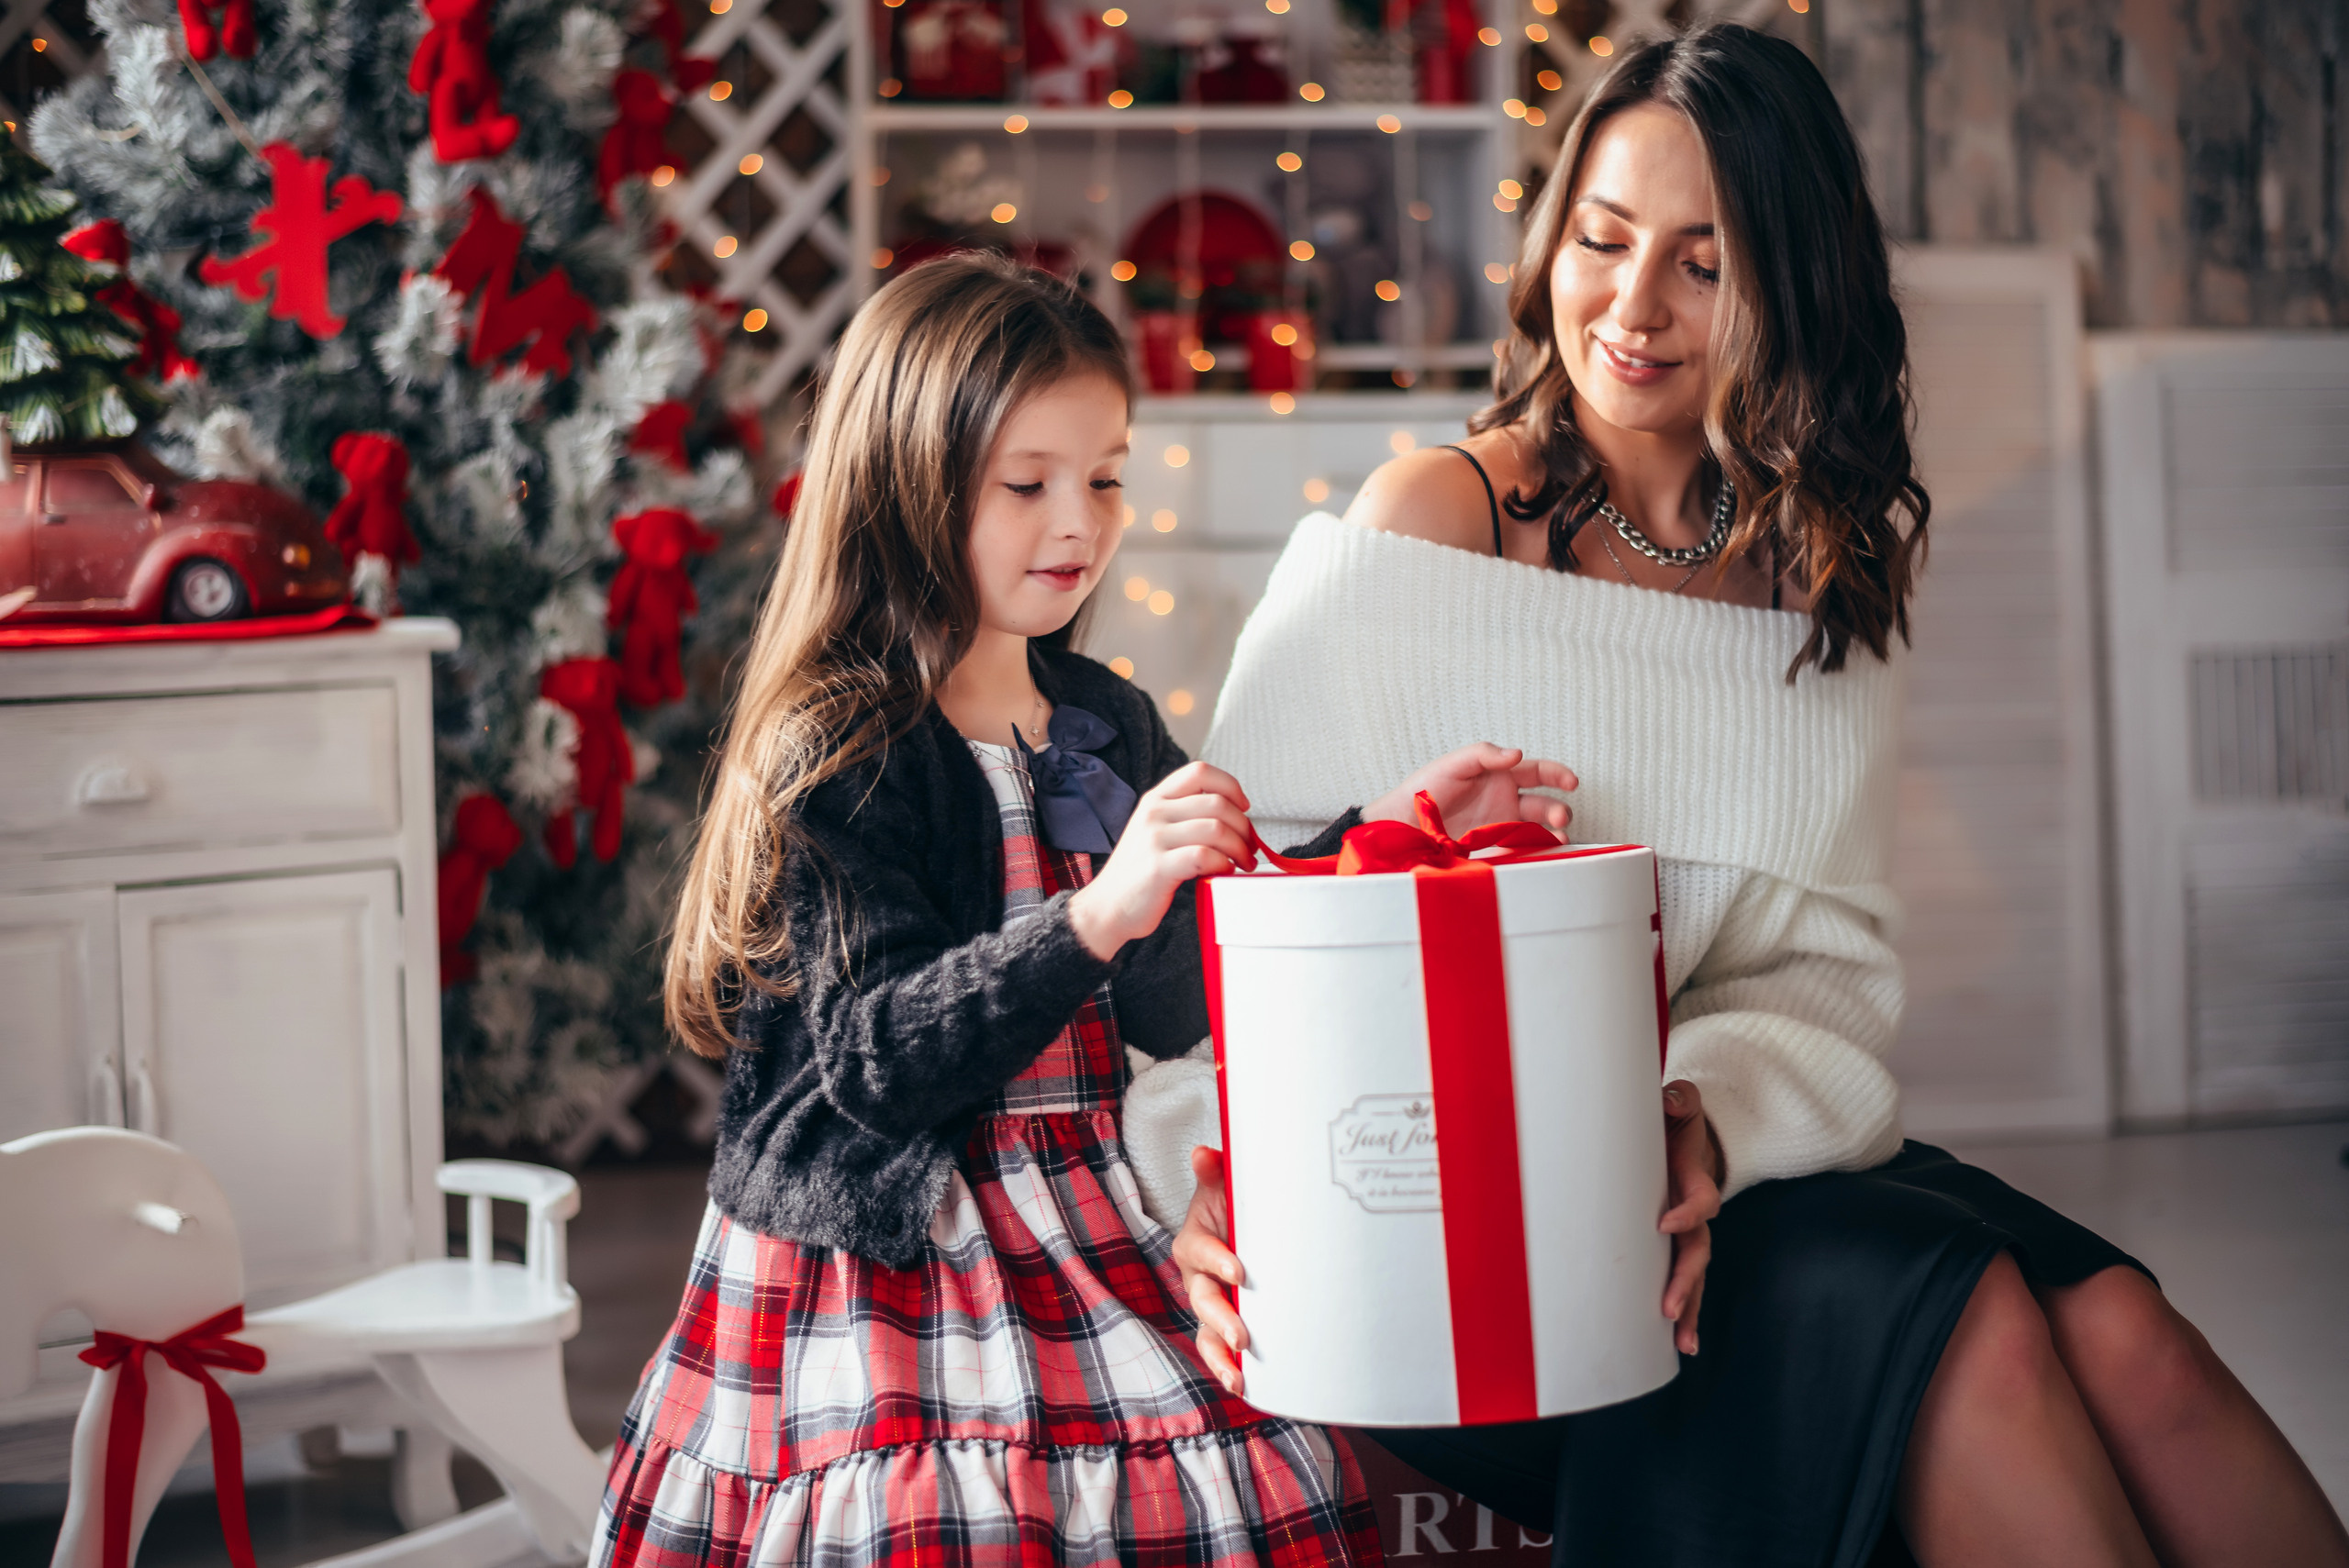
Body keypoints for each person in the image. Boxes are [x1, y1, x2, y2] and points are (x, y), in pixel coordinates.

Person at [1167, 23, 2349, 1568]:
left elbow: (1824, 976)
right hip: (1483, 1238)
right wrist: (1214, 1178)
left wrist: (1699, 1117)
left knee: (2129, 1333)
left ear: (1789, 287)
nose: (1633, 308)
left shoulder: (1818, 565)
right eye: (1602, 239)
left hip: (1729, 1155)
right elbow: (1215, 940)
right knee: (1979, 1332)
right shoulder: (1433, 525)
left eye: (1703, 264)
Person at [589, 251, 1575, 1566]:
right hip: (894, 1237)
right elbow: (878, 1061)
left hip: (1093, 1197)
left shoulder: (1102, 719)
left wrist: (1389, 829)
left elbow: (1187, 978)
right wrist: (1093, 914)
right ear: (907, 485)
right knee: (949, 1523)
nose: (1082, 522)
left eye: (1105, 476)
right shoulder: (837, 750)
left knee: (1248, 1474)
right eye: (1028, 484)